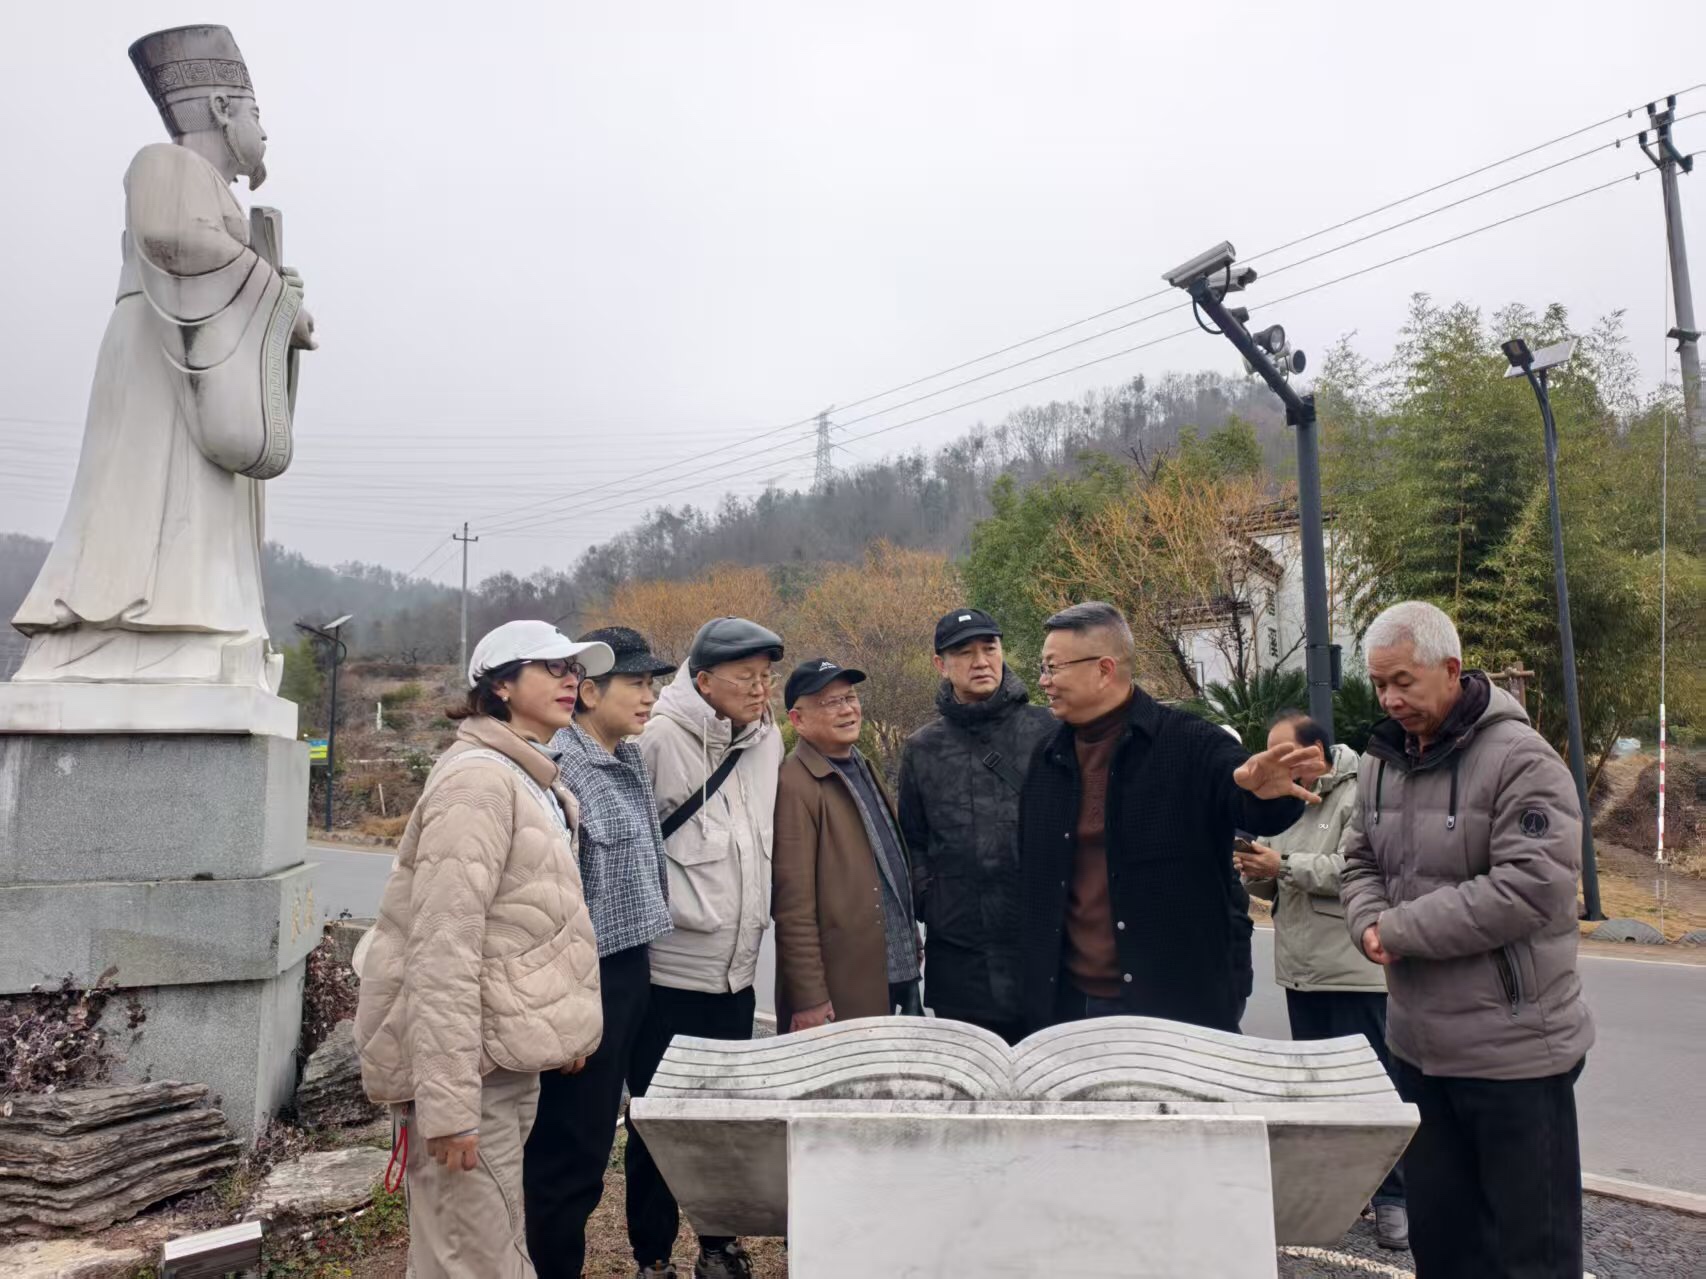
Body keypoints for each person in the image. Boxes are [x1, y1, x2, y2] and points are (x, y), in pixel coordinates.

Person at [1341, 601, 1593, 1278]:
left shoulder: (1522, 759)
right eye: (1379, 684)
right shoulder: (1381, 761)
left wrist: (1396, 928)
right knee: (1446, 1248)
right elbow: (1357, 860)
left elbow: (1530, 888)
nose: (1390, 699)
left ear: (1451, 669)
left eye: (1403, 681)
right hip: (1419, 1050)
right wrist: (1366, 920)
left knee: (1533, 1254)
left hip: (1515, 1054)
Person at [354, 620, 612, 1279]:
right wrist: (448, 1106)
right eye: (552, 667)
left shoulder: (527, 777)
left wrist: (559, 1028)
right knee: (476, 1258)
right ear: (500, 685)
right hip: (472, 1072)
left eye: (575, 669)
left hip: (499, 1062)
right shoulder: (478, 782)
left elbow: (530, 924)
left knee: (469, 1249)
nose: (571, 680)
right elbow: (442, 948)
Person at [1016, 602, 1327, 1034]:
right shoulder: (1046, 758)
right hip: (1064, 1006)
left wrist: (1266, 793)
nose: (1043, 681)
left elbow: (1249, 801)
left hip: (1176, 1009)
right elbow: (1034, 881)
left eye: (1053, 667)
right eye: (1043, 668)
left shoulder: (1192, 744)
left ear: (1104, 669)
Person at [628, 617, 786, 1279]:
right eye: (746, 676)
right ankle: (653, 1255)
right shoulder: (657, 739)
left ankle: (718, 1246)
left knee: (723, 1120)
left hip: (736, 975)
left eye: (766, 675)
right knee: (657, 1123)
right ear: (703, 680)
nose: (760, 688)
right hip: (668, 975)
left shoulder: (767, 740)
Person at [524, 627, 678, 1279]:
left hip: (637, 970)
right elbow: (550, 908)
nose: (650, 696)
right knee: (573, 1149)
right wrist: (568, 1009)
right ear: (589, 692)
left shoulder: (629, 761)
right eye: (636, 683)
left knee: (641, 1128)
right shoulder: (560, 770)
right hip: (587, 977)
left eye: (652, 683)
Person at [1237, 711, 1408, 1252]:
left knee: (1375, 1089)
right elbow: (1276, 880)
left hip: (1353, 968)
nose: (1275, 761)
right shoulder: (1282, 799)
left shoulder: (1362, 791)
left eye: (1283, 751)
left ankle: (1395, 1199)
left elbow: (1360, 869)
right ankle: (1345, 1193)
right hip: (1300, 969)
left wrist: (1283, 863)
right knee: (1321, 1091)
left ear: (1315, 751)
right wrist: (1256, 869)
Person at [897, 608, 1054, 1043]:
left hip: (1043, 948)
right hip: (960, 956)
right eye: (964, 652)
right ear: (941, 664)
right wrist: (933, 900)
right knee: (968, 1076)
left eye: (990, 648)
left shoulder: (1049, 730)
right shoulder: (922, 749)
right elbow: (912, 841)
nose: (981, 661)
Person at [774, 659, 923, 1033]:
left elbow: (890, 863)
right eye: (830, 702)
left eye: (850, 697)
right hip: (844, 985)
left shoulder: (862, 765)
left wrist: (911, 939)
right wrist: (809, 997)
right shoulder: (795, 783)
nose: (847, 709)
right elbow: (793, 905)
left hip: (892, 968)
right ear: (797, 720)